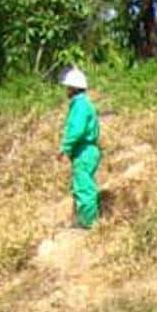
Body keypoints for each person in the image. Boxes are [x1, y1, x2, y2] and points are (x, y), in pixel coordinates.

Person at [58, 67, 101, 229]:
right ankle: (84, 220)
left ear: (73, 88)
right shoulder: (82, 104)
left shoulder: (80, 105)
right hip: (85, 151)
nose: (66, 90)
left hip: (85, 151)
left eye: (67, 87)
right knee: (81, 185)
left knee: (84, 187)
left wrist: (64, 147)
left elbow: (76, 129)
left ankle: (89, 223)